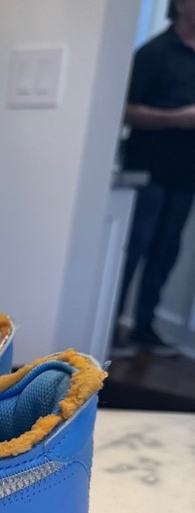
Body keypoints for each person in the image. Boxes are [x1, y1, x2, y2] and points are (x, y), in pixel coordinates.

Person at [116, 0, 195, 355]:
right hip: (147, 170)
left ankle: (144, 327)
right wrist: (178, 118)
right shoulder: (153, 53)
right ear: (180, 4)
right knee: (134, 248)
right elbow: (126, 110)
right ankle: (110, 325)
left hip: (186, 174)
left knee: (166, 250)